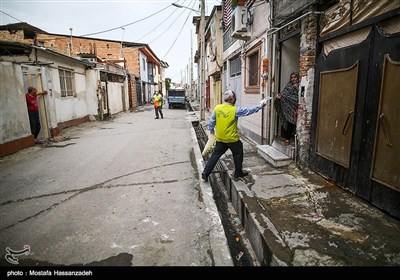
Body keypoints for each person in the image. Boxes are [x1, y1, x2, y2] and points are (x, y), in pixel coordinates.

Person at [201, 90, 269, 182]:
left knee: (215, 155)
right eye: (235, 97)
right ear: (232, 99)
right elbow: (248, 111)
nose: (235, 99)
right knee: (238, 153)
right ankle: (238, 172)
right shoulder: (235, 110)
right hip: (232, 139)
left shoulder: (217, 108)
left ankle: (206, 172)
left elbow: (212, 121)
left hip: (220, 138)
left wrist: (211, 130)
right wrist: (260, 106)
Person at [274, 71, 299, 146]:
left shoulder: (300, 85)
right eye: (292, 77)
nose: (293, 79)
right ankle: (287, 138)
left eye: (295, 77)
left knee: (293, 122)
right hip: (288, 108)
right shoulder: (288, 85)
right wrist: (279, 97)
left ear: (298, 78)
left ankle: (289, 138)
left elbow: (298, 97)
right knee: (289, 121)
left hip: (296, 107)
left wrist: (297, 87)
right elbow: (284, 94)